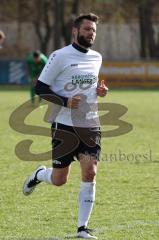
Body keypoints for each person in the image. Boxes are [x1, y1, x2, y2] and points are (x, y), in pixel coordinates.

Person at [23, 13, 108, 239]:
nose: (91, 33)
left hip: (90, 124)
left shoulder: (97, 57)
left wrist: (100, 92)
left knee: (90, 172)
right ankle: (40, 174)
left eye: (94, 30)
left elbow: (91, 88)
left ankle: (82, 228)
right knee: (60, 180)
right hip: (64, 125)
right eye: (87, 29)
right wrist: (65, 102)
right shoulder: (59, 56)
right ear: (75, 31)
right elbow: (40, 88)